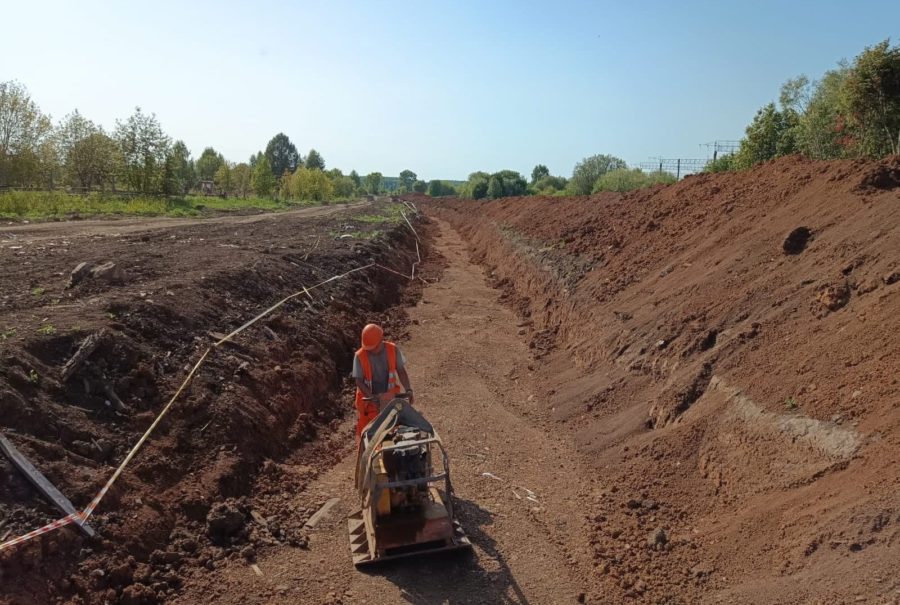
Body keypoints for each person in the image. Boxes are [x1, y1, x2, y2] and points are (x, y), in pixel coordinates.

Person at [351, 323, 414, 438]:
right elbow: (359, 381)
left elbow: (401, 371)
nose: (370, 351)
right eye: (368, 349)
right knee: (368, 436)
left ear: (381, 340)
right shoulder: (360, 356)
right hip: (368, 404)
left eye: (373, 348)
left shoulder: (392, 350)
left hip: (389, 400)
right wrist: (372, 398)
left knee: (393, 431)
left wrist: (408, 389)